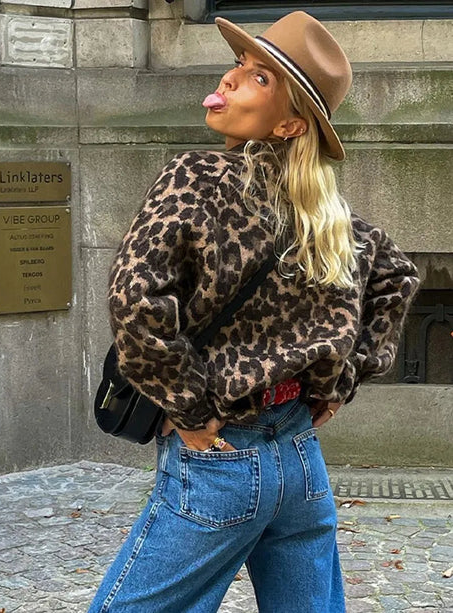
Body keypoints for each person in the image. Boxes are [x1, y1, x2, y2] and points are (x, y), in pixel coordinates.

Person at [88, 11, 420, 613]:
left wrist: (188, 406)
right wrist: (341, 380)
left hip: (221, 456)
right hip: (300, 459)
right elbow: (396, 277)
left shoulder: (196, 178)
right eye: (240, 63)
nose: (232, 77)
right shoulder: (326, 215)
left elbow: (135, 298)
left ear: (291, 124)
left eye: (261, 77)